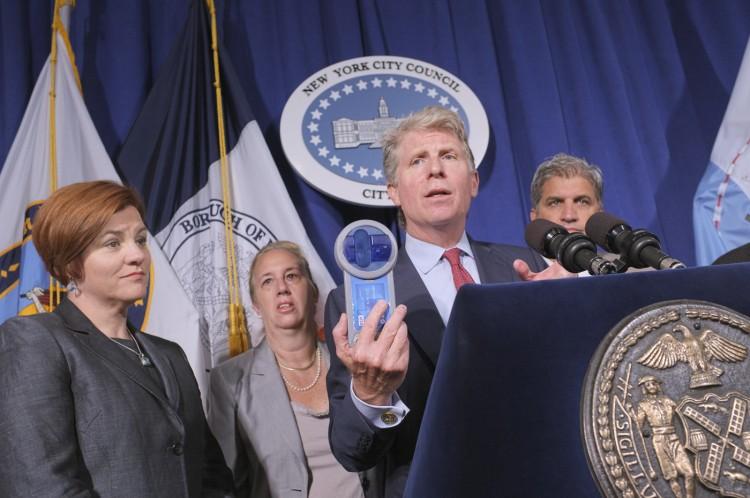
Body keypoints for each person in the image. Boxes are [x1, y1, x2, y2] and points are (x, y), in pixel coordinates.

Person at [324, 106, 551, 496]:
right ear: (393, 190)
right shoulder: (357, 297)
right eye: (417, 161)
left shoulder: (526, 267)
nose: (435, 170)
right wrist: (372, 394)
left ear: (474, 181)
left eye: (449, 156)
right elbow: (351, 451)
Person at [0, 181, 233, 497]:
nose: (137, 254)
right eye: (112, 243)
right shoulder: (36, 341)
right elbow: (41, 486)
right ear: (70, 263)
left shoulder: (170, 355)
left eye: (140, 239)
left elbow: (212, 476)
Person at [208, 241, 374, 498]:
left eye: (291, 276)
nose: (282, 289)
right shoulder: (231, 380)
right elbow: (225, 484)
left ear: (314, 292)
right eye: (267, 282)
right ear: (255, 305)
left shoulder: (351, 361)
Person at [515, 152, 604, 278]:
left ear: (599, 216)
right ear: (534, 217)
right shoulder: (506, 275)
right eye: (555, 203)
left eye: (582, 202)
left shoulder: (629, 274)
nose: (569, 215)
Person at [635, 376, 695, 498]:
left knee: (690, 473)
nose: (651, 386)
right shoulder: (643, 405)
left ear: (658, 385)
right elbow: (639, 425)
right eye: (648, 385)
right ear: (644, 389)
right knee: (671, 476)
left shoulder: (668, 401)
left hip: (674, 438)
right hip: (659, 440)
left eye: (653, 384)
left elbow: (681, 413)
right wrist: (637, 424)